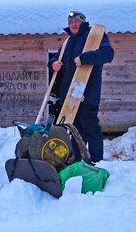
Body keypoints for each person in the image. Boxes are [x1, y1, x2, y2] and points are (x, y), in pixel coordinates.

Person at [47, 10, 114, 163]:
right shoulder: (68, 42)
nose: (73, 24)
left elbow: (107, 54)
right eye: (70, 22)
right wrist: (53, 63)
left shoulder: (94, 36)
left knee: (91, 128)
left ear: (83, 22)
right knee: (75, 131)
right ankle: (78, 162)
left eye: (76, 21)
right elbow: (55, 59)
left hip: (87, 93)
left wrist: (84, 58)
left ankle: (97, 162)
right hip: (70, 96)